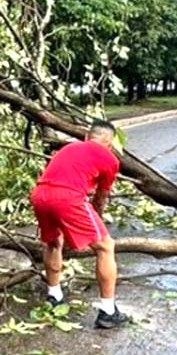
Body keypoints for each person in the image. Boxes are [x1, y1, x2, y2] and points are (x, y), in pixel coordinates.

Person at [29, 120, 130, 328]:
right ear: (110, 144)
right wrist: (96, 222)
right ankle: (108, 311)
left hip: (40, 195)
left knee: (54, 242)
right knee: (105, 246)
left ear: (87, 136)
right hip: (68, 197)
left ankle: (54, 295)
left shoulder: (69, 148)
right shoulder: (110, 159)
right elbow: (101, 198)